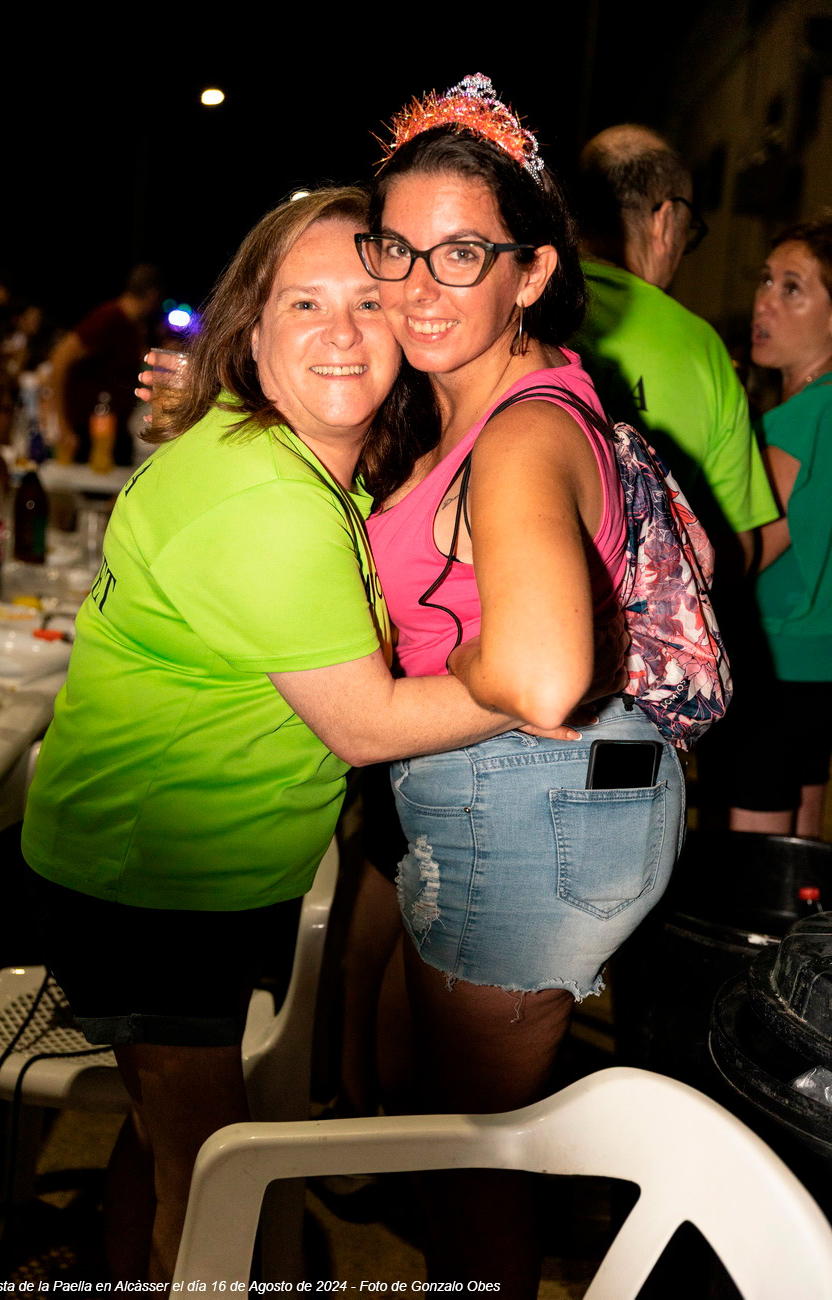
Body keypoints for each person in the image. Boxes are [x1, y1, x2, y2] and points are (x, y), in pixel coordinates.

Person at [21, 188, 563, 1284]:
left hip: (186, 871)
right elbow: (367, 725)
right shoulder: (264, 496)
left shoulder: (297, 457)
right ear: (251, 334)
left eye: (366, 302)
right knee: (211, 1177)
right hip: (157, 884)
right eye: (302, 304)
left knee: (163, 1140)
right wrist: (533, 680)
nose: (340, 331)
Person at [356, 76, 686, 1296]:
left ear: (533, 271)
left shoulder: (520, 433)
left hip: (527, 807)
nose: (418, 286)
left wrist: (400, 701)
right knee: (440, 1116)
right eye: (397, 248)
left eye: (463, 255)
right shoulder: (490, 403)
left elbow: (544, 676)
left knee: (471, 1160)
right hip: (550, 798)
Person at [573, 124, 776, 572]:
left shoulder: (523, 301)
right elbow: (738, 549)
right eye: (689, 235)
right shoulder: (702, 348)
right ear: (665, 219)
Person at [728, 217, 832, 838]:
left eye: (792, 288)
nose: (764, 301)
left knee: (755, 865)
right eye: (766, 280)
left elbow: (745, 552)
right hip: (818, 668)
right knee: (804, 854)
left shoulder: (802, 420)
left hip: (776, 662)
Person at [46, 264, 163, 466]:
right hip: (87, 433)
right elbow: (60, 357)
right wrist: (62, 423)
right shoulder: (108, 318)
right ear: (152, 295)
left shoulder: (132, 325)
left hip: (113, 432)